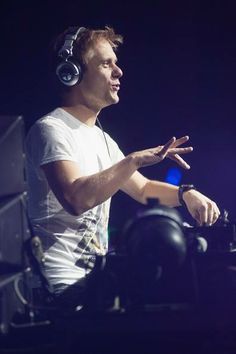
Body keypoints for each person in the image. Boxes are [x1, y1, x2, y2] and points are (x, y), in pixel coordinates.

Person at [25, 25, 220, 310]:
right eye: (106, 63)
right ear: (72, 72)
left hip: (92, 286)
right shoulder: (51, 130)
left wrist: (185, 194)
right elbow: (76, 198)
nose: (119, 72)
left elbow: (143, 189)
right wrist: (134, 159)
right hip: (58, 290)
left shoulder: (102, 140)